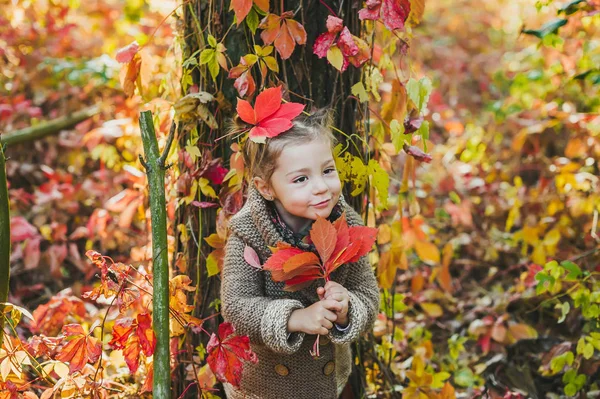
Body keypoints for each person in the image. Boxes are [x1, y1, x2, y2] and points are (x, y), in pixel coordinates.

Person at [220, 108, 380, 399]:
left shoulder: (346, 226)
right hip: (265, 386)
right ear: (266, 188)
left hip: (329, 381)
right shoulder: (248, 233)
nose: (321, 187)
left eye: (327, 171)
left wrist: (347, 309)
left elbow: (368, 295)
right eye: (300, 180)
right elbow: (236, 307)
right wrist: (295, 319)